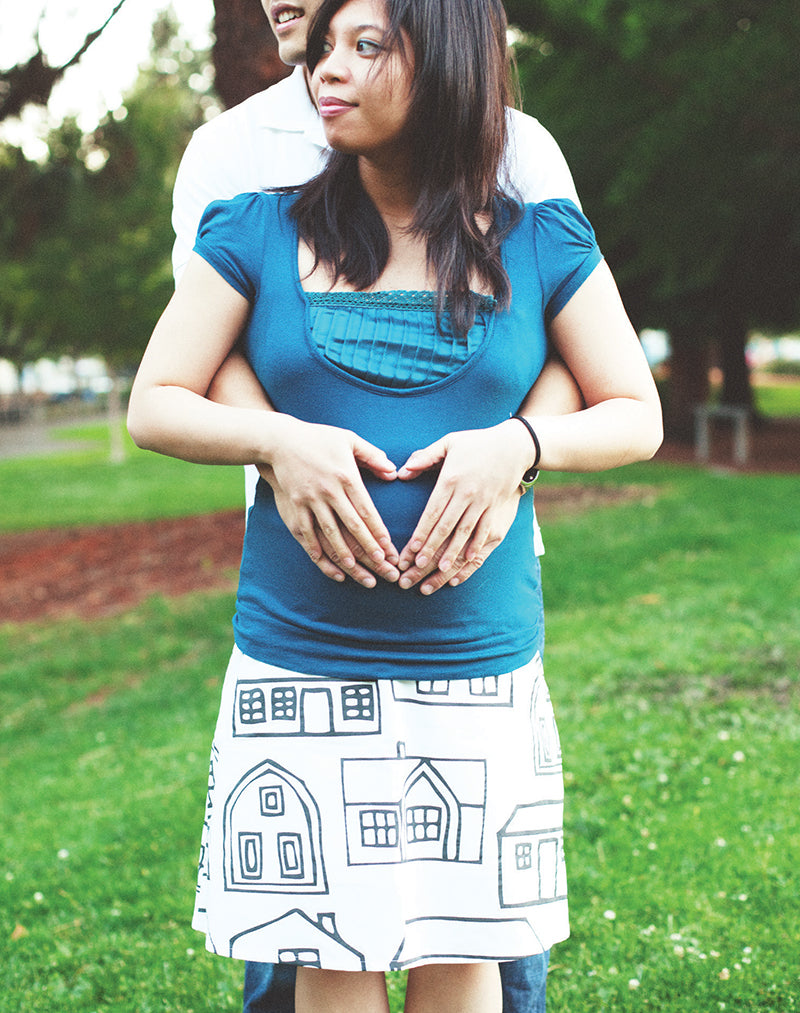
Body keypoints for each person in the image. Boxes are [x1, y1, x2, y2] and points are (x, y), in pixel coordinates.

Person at [131, 0, 662, 1009]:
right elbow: (156, 399)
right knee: (329, 958)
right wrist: (277, 439)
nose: (324, 70)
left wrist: (520, 444)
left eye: (364, 47)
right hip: (299, 662)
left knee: (465, 954)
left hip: (477, 666)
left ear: (446, 61)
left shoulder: (540, 237)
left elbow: (634, 410)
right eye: (324, 48)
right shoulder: (252, 223)